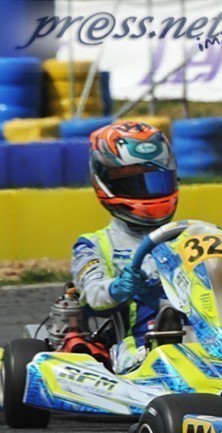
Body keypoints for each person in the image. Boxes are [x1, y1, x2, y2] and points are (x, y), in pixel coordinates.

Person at [70, 121, 178, 373]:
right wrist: (118, 288)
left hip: (206, 332)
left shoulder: (188, 236)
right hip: (139, 342)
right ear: (107, 184)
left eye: (156, 181)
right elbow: (93, 295)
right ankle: (165, 341)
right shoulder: (94, 244)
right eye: (134, 183)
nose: (148, 192)